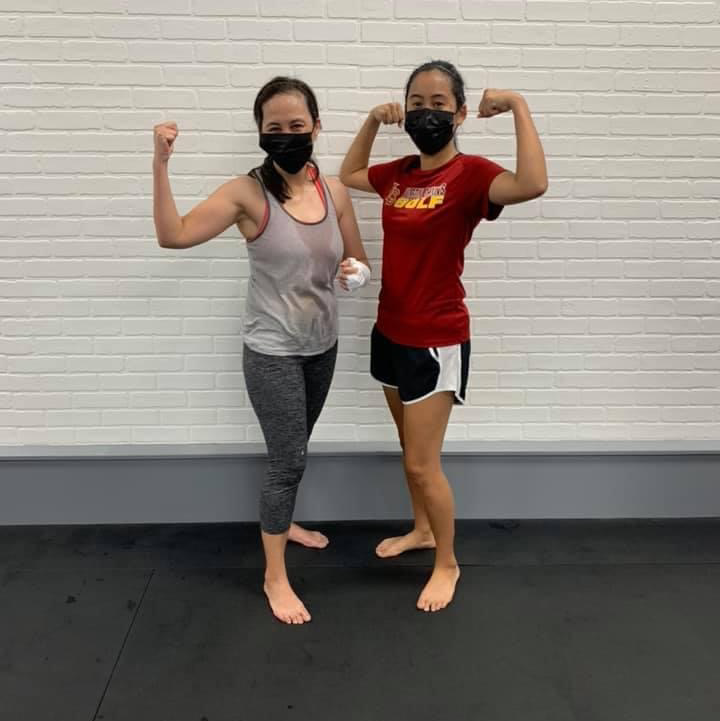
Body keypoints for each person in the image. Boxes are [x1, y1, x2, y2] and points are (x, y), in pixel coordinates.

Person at [153, 76, 371, 625]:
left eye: (297, 125)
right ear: (260, 132)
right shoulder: (246, 194)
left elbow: (358, 262)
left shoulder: (335, 192)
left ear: (316, 127)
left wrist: (355, 274)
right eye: (275, 127)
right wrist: (161, 164)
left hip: (323, 344)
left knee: (293, 451)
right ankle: (274, 575)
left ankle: (284, 521)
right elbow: (173, 235)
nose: (287, 135)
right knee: (287, 460)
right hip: (272, 350)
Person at [340, 60, 547, 612]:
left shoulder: (471, 174)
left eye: (437, 104)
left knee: (421, 463)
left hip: (436, 338)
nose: (425, 113)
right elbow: (350, 173)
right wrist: (371, 120)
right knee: (410, 450)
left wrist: (517, 105)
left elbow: (532, 183)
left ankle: (447, 563)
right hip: (390, 330)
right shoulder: (399, 174)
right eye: (416, 103)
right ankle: (423, 530)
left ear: (459, 114)